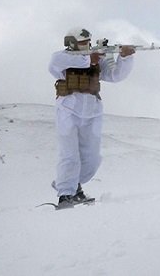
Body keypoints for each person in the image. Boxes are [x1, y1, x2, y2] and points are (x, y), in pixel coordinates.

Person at [49, 27, 136, 208]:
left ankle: (70, 184)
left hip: (92, 111)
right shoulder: (61, 57)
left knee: (92, 159)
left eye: (88, 42)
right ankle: (66, 194)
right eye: (82, 43)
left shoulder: (96, 60)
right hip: (68, 109)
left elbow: (115, 75)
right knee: (70, 154)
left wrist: (125, 57)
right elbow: (55, 64)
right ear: (72, 43)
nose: (86, 45)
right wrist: (89, 58)